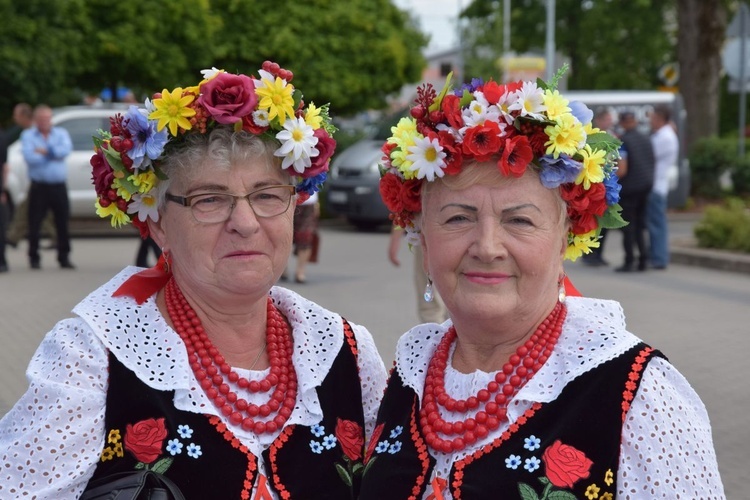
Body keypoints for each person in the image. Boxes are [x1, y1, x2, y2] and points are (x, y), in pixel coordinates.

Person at [0, 63, 387, 499]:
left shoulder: (346, 351)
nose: (244, 223)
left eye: (266, 195)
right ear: (160, 224)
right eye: (209, 199)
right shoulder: (91, 357)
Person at [361, 74, 724, 499]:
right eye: (458, 218)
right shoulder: (410, 371)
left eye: (520, 220)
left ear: (565, 238)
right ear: (422, 236)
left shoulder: (637, 398)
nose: (487, 246)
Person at [21, 104, 74, 269]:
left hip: (58, 185)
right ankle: (34, 257)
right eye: (41, 119)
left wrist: (44, 152)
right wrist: (53, 154)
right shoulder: (28, 135)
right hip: (39, 187)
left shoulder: (61, 133)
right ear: (36, 120)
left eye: (47, 118)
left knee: (62, 222)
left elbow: (65, 150)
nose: (45, 122)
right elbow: (30, 157)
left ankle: (64, 257)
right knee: (34, 223)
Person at [4, 102, 58, 249]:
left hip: (44, 178)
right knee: (29, 207)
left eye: (16, 115)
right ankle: (14, 236)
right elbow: (30, 155)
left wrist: (43, 153)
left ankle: (14, 236)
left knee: (32, 208)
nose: (14, 118)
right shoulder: (27, 132)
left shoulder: (36, 130)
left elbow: (49, 151)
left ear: (23, 116)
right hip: (35, 177)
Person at [614, 111, 655, 272]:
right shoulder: (646, 138)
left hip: (630, 189)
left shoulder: (623, 141)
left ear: (623, 122)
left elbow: (622, 169)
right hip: (645, 187)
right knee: (640, 224)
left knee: (628, 226)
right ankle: (643, 259)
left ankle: (629, 260)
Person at [388, 226, 448, 323]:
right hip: (458, 227)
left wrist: (396, 237)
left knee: (431, 305)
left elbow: (405, 211)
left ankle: (436, 332)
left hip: (430, 228)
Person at [580, 107, 616, 267]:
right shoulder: (590, 137)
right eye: (607, 119)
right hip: (591, 182)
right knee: (591, 220)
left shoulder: (612, 137)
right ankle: (589, 253)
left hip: (606, 184)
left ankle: (598, 253)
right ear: (599, 120)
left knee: (603, 221)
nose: (610, 122)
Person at [648, 104, 679, 270]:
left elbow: (649, 154)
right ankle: (655, 255)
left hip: (656, 185)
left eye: (653, 118)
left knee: (656, 224)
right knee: (654, 222)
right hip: (657, 184)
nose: (650, 121)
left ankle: (659, 258)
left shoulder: (664, 137)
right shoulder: (663, 134)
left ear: (660, 119)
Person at [286, 190, 320, 283]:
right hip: (288, 201)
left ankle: (300, 271)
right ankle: (283, 268)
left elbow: (315, 182)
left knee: (306, 236)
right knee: (284, 236)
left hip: (309, 204)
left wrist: (317, 204)